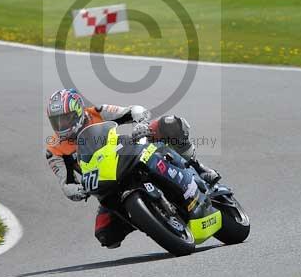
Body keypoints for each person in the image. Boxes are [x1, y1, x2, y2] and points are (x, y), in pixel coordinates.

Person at [44, 88, 220, 249]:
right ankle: (151, 220)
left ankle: (198, 167)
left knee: (169, 124)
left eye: (65, 118)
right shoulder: (54, 149)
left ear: (78, 112)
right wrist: (77, 190)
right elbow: (65, 183)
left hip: (126, 156)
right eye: (56, 122)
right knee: (106, 234)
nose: (62, 126)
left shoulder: (96, 113)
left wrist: (140, 124)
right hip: (106, 184)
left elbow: (134, 110)